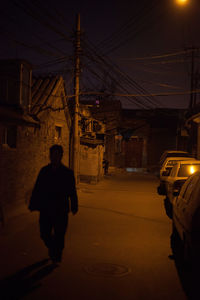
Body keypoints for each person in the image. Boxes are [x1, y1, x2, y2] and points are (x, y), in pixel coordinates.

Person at [29, 144, 78, 263]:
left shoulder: (67, 173)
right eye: (52, 154)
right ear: (50, 156)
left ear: (61, 156)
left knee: (60, 234)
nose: (54, 157)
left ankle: (57, 253)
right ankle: (53, 248)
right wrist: (33, 203)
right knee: (44, 233)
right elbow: (37, 188)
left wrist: (74, 205)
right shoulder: (44, 171)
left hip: (61, 209)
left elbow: (72, 191)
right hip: (46, 208)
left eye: (57, 154)